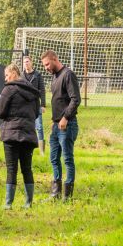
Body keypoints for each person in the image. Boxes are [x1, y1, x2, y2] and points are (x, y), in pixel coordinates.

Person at [0, 62, 40, 209]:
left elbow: (0, 112)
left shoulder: (8, 90)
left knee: (11, 168)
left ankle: (8, 203)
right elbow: (36, 113)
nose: (5, 79)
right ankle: (28, 203)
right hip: (28, 134)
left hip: (11, 134)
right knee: (27, 169)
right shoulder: (33, 92)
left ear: (14, 73)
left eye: (7, 75)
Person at [41, 49, 80, 201]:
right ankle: (55, 193)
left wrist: (64, 118)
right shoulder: (55, 77)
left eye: (47, 64)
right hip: (56, 126)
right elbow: (59, 101)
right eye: (44, 66)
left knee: (67, 159)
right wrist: (55, 121)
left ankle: (67, 196)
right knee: (53, 158)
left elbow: (75, 99)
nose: (46, 68)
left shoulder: (68, 75)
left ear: (55, 59)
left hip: (67, 125)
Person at [21, 54, 46, 153]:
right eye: (24, 62)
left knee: (39, 127)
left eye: (27, 62)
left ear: (31, 63)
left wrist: (43, 105)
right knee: (25, 126)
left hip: (35, 105)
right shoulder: (21, 76)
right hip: (24, 105)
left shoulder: (38, 75)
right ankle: (27, 148)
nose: (26, 64)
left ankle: (42, 151)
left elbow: (42, 91)